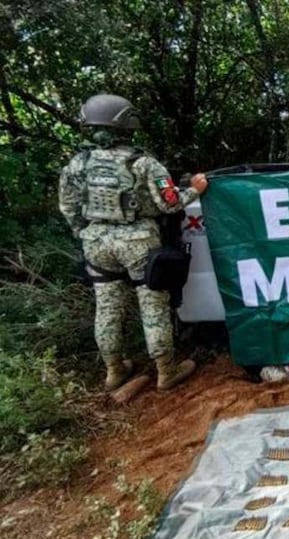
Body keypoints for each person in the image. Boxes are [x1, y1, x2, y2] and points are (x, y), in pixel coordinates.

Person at [58, 94, 209, 392]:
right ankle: (167, 371)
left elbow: (68, 207)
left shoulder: (78, 163)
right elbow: (170, 204)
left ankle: (114, 371)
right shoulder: (144, 164)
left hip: (97, 244)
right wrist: (195, 190)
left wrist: (85, 233)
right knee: (152, 305)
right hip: (139, 243)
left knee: (107, 308)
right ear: (127, 125)